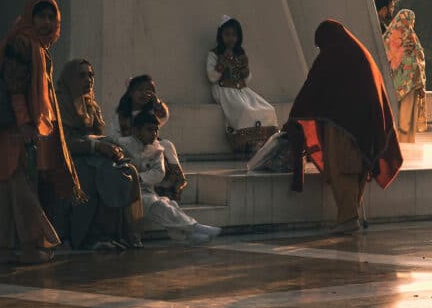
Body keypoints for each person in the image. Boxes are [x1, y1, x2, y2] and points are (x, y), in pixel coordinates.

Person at [0, 0, 85, 264]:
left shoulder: (32, 44)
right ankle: (31, 246)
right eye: (41, 17)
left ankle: (6, 249)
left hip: (10, 129)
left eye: (52, 17)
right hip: (14, 129)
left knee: (9, 187)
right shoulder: (24, 43)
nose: (47, 23)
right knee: (21, 188)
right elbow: (15, 88)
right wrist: (25, 124)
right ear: (30, 18)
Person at [286, 20, 403, 234]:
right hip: (365, 128)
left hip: (343, 128)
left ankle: (348, 219)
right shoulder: (360, 53)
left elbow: (312, 88)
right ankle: (349, 215)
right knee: (357, 169)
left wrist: (294, 116)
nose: (321, 50)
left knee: (343, 169)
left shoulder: (331, 56)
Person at [55, 59, 144, 250]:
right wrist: (97, 146)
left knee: (125, 171)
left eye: (91, 75)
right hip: (66, 157)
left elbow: (98, 134)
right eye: (82, 76)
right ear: (70, 79)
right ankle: (89, 237)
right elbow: (62, 142)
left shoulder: (91, 106)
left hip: (91, 154)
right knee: (97, 174)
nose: (88, 80)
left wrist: (107, 147)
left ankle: (118, 233)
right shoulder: (58, 104)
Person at [116, 111, 221, 243]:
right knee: (158, 205)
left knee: (169, 204)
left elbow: (159, 173)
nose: (154, 134)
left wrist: (140, 178)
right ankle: (193, 227)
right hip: (126, 191)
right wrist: (135, 178)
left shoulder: (157, 148)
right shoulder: (121, 145)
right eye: (149, 130)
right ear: (136, 130)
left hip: (146, 191)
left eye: (156, 130)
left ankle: (186, 236)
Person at [206, 16, 278, 154]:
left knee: (268, 109)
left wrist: (245, 71)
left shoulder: (240, 53)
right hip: (224, 90)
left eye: (234, 35)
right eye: (227, 34)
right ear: (220, 35)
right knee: (245, 110)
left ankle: (263, 144)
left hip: (241, 90)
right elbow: (212, 77)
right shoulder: (214, 54)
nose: (231, 38)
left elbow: (247, 80)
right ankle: (246, 145)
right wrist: (223, 63)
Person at [110, 75, 187, 201]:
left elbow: (163, 117)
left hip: (150, 146)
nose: (144, 94)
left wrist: (157, 104)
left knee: (166, 144)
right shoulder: (122, 116)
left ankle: (177, 177)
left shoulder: (151, 112)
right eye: (139, 90)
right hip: (130, 148)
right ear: (130, 93)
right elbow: (114, 136)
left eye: (148, 91)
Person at [383, 9, 427, 143]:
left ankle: (400, 144)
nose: (410, 24)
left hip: (399, 85)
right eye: (410, 21)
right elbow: (417, 62)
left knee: (400, 119)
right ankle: (403, 144)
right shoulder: (405, 37)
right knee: (404, 120)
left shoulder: (389, 37)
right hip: (405, 86)